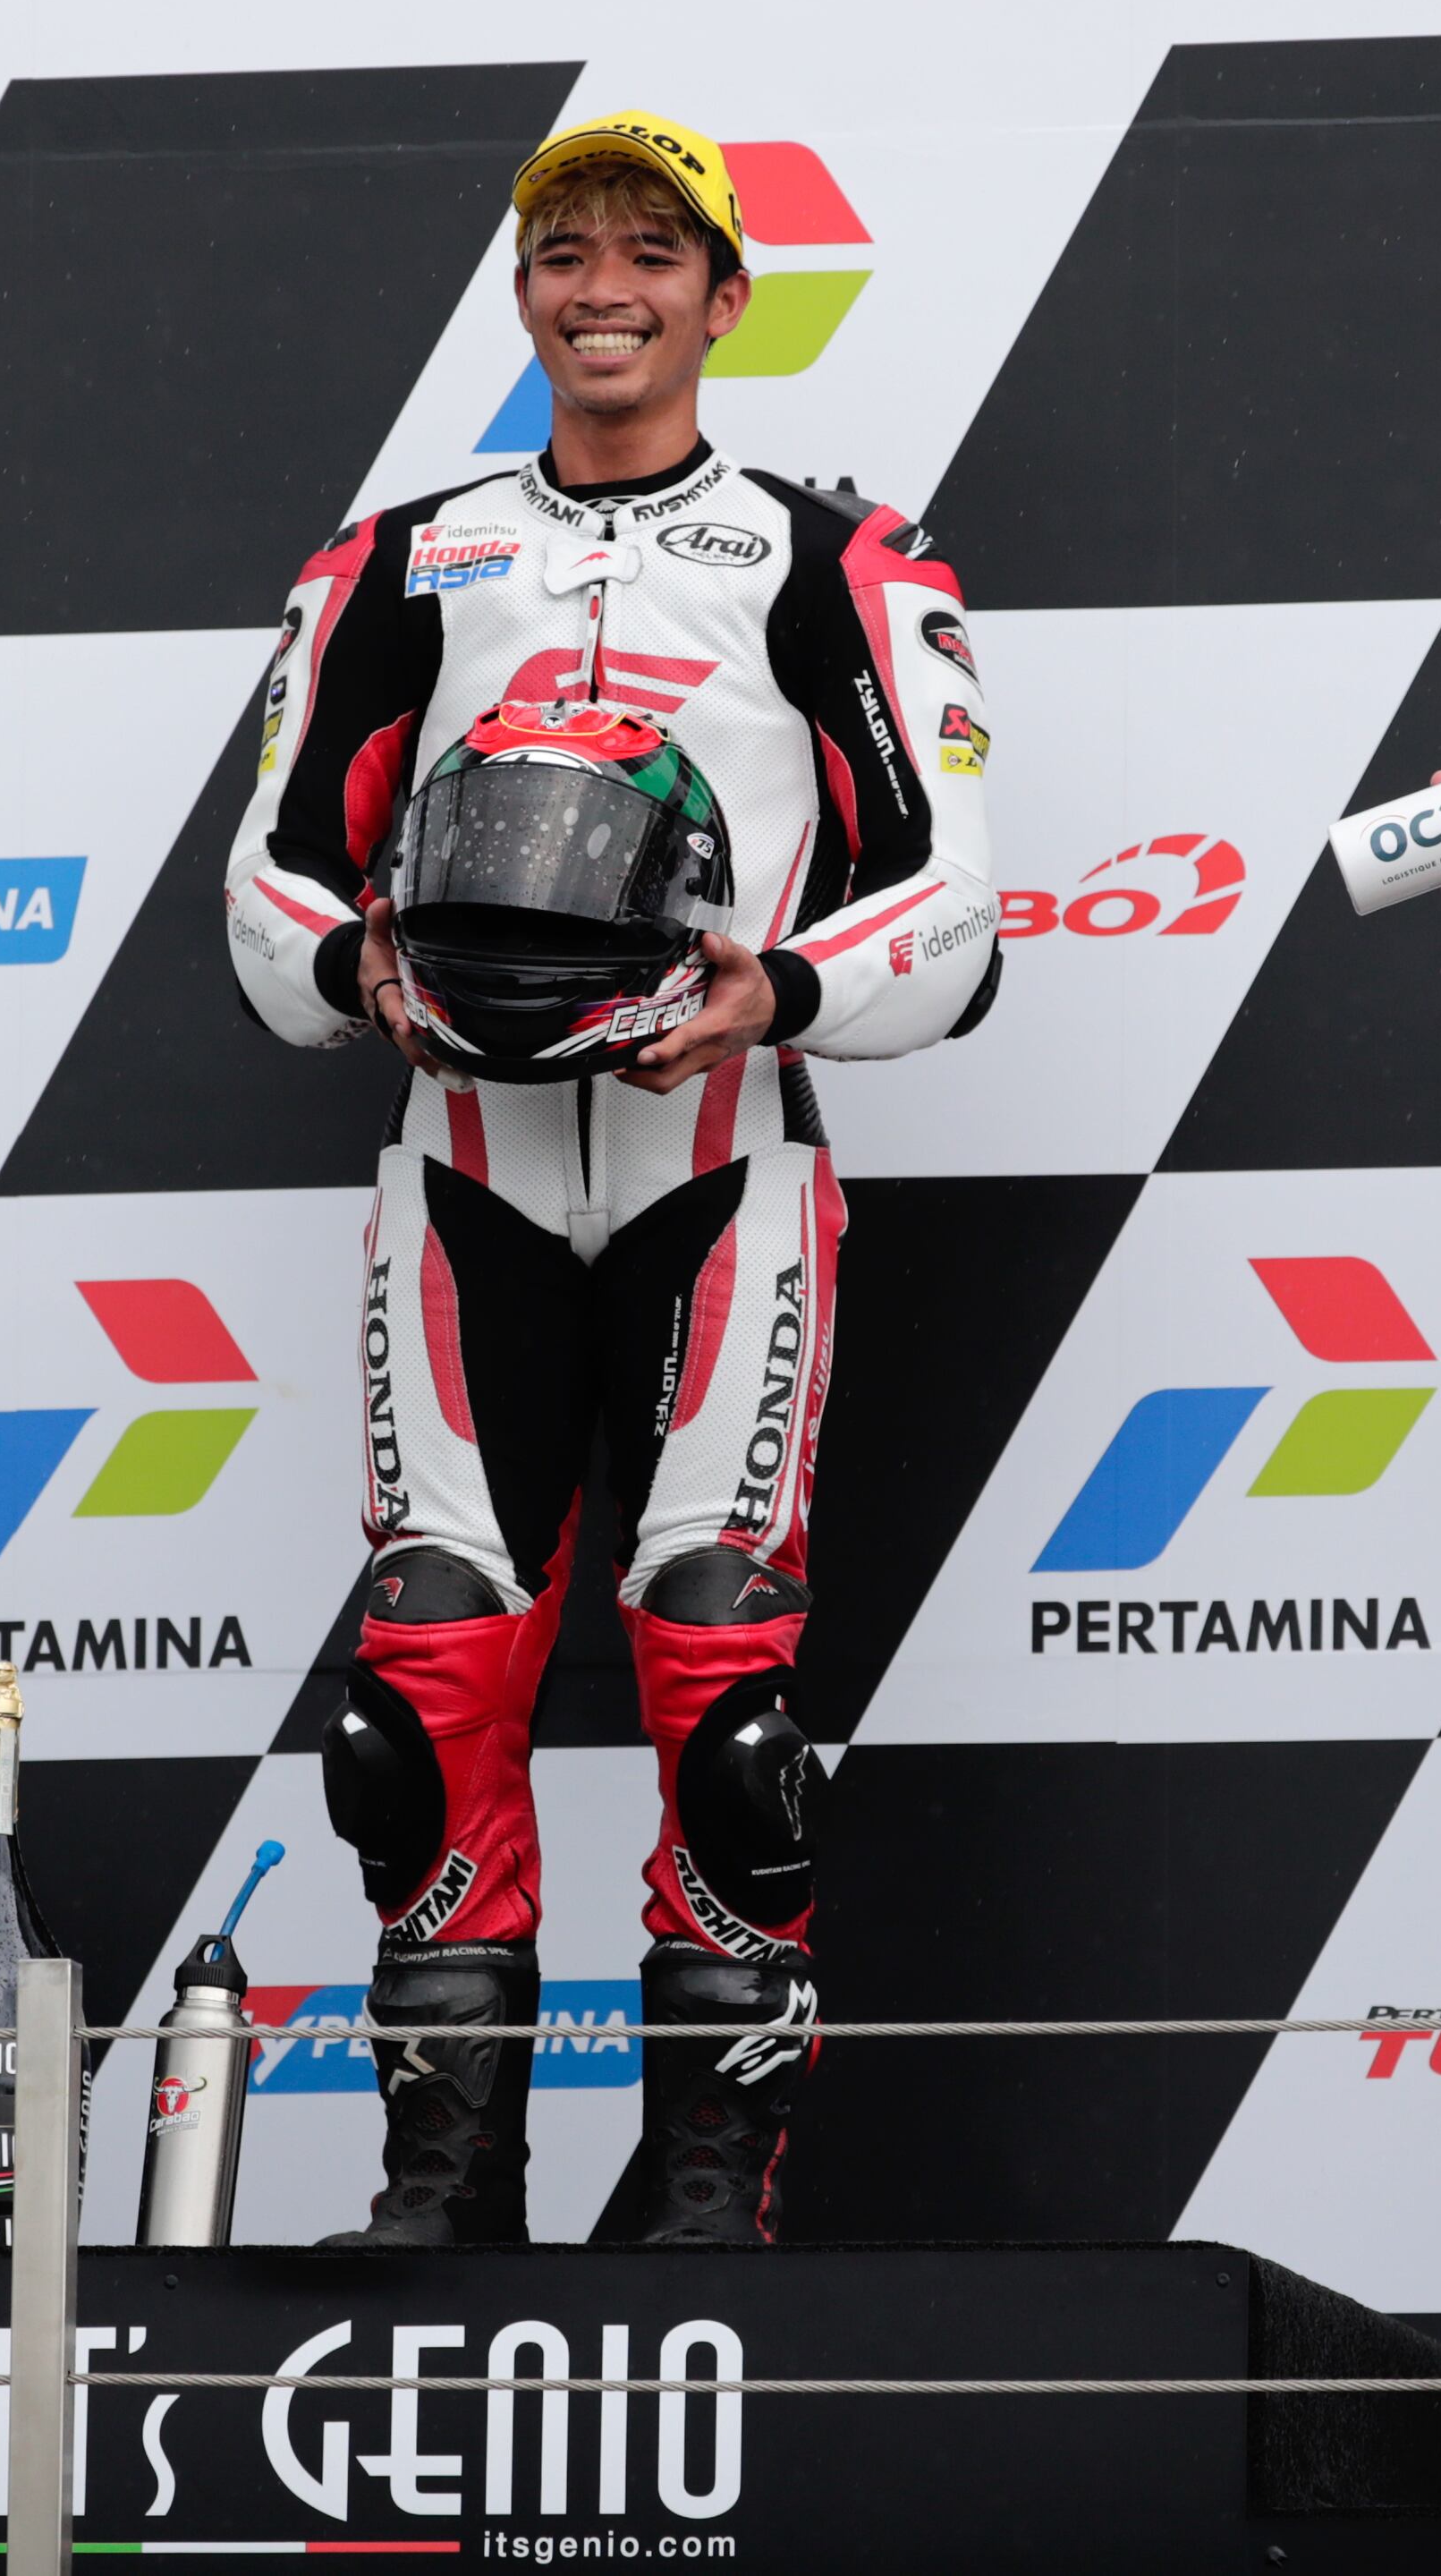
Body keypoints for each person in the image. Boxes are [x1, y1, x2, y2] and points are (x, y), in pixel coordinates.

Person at [221, 115, 1000, 2246]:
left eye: (649, 250)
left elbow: (961, 909)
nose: (602, 286)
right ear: (522, 291)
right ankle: (446, 2180)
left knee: (723, 1675)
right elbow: (263, 884)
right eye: (563, 249)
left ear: (722, 296)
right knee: (417, 1679)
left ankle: (707, 2184)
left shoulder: (838, 556)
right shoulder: (396, 557)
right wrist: (350, 961)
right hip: (460, 1165)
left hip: (718, 1163)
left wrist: (778, 989)